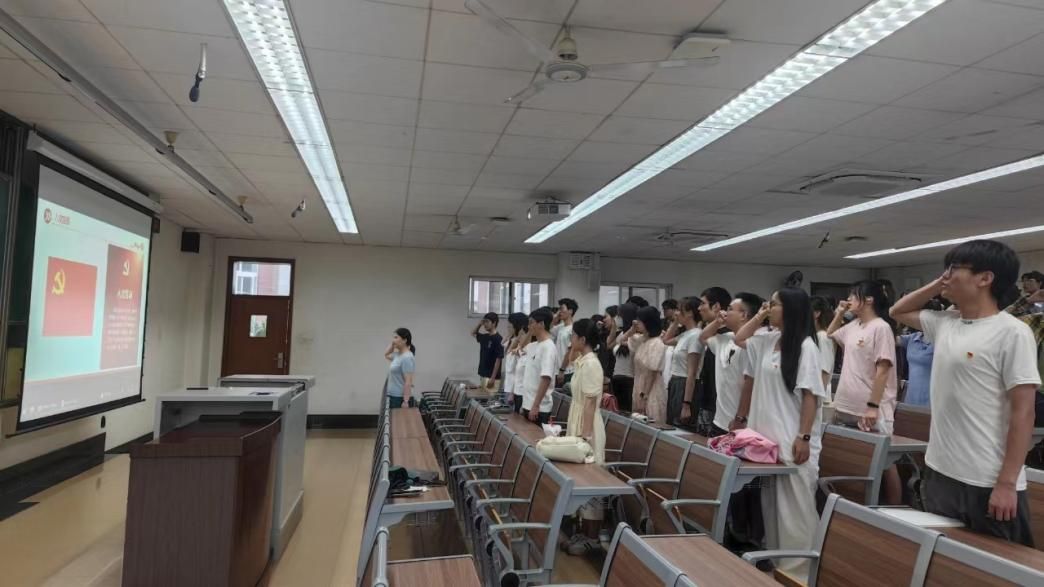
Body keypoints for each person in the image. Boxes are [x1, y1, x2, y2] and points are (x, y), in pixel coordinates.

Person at [891, 240, 1039, 546]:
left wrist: (1007, 483)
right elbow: (898, 310)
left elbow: (1023, 412)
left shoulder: (1012, 332)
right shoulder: (945, 323)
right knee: (945, 559)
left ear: (985, 278)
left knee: (996, 564)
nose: (945, 275)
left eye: (954, 268)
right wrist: (940, 282)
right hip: (941, 471)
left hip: (986, 478)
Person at [735, 289, 827, 579]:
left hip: (792, 442)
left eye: (773, 304)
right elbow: (739, 337)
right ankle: (779, 568)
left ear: (790, 308)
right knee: (772, 509)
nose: (768, 308)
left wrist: (804, 437)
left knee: (796, 511)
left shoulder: (806, 347)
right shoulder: (767, 339)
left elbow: (811, 395)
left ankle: (803, 574)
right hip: (766, 445)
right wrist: (761, 314)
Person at [827, 280, 901, 504]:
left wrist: (873, 406)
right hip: (847, 405)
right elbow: (830, 334)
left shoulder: (881, 327)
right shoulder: (854, 325)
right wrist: (840, 313)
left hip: (871, 408)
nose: (848, 299)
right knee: (855, 461)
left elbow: (883, 369)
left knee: (885, 464)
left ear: (869, 300)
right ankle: (859, 507)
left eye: (853, 295)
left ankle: (895, 509)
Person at [700, 292, 762, 437]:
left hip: (741, 423)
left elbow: (749, 384)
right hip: (719, 421)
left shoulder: (752, 344)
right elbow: (703, 338)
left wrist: (740, 418)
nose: (724, 312)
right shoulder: (725, 338)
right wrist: (717, 322)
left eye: (730, 309)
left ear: (743, 315)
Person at [694, 287, 732, 432]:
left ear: (716, 306)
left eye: (702, 303)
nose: (699, 308)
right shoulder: (713, 333)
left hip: (721, 406)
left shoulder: (729, 336)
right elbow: (702, 337)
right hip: (708, 399)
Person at [620, 306, 667, 422]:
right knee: (637, 421)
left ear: (648, 322)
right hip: (638, 385)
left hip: (651, 389)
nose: (637, 323)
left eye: (639, 321)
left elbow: (652, 373)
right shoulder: (642, 340)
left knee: (650, 418)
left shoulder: (657, 343)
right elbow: (621, 340)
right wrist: (632, 329)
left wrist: (644, 396)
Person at [897, 299, 945, 407]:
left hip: (933, 400)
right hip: (911, 397)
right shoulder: (912, 338)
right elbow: (888, 339)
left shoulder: (943, 340)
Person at [666, 297, 703, 425]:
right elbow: (665, 340)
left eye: (679, 309)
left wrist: (686, 404)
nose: (676, 313)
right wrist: (676, 322)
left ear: (690, 313)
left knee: (681, 425)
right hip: (675, 382)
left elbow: (692, 373)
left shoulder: (696, 335)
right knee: (671, 422)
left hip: (685, 385)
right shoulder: (686, 334)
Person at [521, 307, 558, 424]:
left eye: (531, 323)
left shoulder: (548, 347)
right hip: (528, 403)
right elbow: (520, 348)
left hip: (539, 408)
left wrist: (536, 405)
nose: (528, 326)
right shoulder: (533, 345)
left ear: (541, 324)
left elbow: (546, 378)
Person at [608, 303, 638, 411]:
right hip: (616, 377)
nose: (617, 318)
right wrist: (613, 328)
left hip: (629, 379)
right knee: (617, 410)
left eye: (619, 316)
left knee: (627, 410)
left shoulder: (636, 335)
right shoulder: (622, 334)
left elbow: (624, 342)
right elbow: (609, 345)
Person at [383, 328, 416, 409]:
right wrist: (392, 344)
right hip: (393, 396)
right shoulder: (397, 355)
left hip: (399, 398)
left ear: (404, 340)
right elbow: (386, 355)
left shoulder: (407, 357)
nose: (393, 340)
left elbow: (408, 381)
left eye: (396, 337)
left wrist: (405, 401)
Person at [471, 312, 503, 390]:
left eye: (487, 322)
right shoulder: (485, 337)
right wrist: (479, 324)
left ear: (494, 323)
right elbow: (473, 333)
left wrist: (493, 378)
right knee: (483, 396)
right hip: (483, 374)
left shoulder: (498, 338)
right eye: (484, 322)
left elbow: (498, 359)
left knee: (490, 397)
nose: (485, 324)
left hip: (492, 377)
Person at [810, 296, 836, 392]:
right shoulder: (815, 335)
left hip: (819, 393)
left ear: (817, 313)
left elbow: (824, 371)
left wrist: (817, 397)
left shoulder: (823, 337)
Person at [502, 312, 528, 407]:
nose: (508, 327)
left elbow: (519, 373)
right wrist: (510, 335)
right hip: (508, 386)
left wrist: (512, 394)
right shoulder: (512, 340)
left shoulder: (521, 344)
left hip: (514, 389)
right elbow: (504, 348)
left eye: (510, 325)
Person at [553, 298, 579, 384]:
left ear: (570, 311)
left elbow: (570, 350)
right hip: (557, 370)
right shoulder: (560, 327)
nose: (559, 312)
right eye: (559, 309)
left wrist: (562, 370)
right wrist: (555, 319)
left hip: (567, 371)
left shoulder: (573, 328)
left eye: (562, 309)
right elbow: (547, 330)